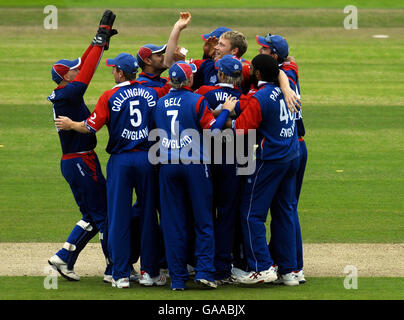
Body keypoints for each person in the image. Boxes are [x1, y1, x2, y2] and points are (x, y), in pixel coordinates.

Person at [55, 53, 164, 289]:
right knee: (148, 216)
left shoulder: (110, 95)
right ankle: (149, 272)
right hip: (147, 159)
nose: (112, 72)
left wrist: (71, 125)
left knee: (117, 218)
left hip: (121, 161)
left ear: (121, 73)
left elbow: (91, 126)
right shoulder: (152, 93)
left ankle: (120, 273)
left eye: (114, 69)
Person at [150, 60, 238, 290]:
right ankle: (205, 272)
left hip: (168, 165)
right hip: (195, 164)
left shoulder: (159, 104)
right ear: (189, 80)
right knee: (203, 220)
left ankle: (178, 279)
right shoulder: (197, 100)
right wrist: (226, 110)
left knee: (173, 222)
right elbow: (214, 129)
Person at [46, 10, 117, 283]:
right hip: (80, 160)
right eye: (72, 69)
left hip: (74, 161)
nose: (78, 68)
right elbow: (87, 71)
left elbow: (84, 63)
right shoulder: (71, 91)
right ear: (66, 77)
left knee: (91, 214)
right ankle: (114, 268)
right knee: (104, 214)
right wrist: (99, 42)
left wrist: (99, 39)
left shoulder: (65, 91)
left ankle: (64, 258)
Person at [229, 54, 300, 286]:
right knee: (286, 211)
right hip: (292, 155)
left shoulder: (260, 98)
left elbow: (240, 129)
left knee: (251, 214)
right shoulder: (287, 90)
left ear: (258, 74)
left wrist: (225, 113)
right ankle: (290, 271)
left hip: (271, 160)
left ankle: (261, 267)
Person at [164, 11, 301, 112]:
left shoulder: (245, 68)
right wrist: (177, 28)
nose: (215, 47)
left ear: (234, 51)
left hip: (236, 138)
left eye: (221, 44)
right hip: (209, 137)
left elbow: (275, 72)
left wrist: (286, 88)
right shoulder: (207, 64)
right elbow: (168, 63)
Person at [256, 33, 307, 284]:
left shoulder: (273, 77)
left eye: (263, 50)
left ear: (274, 55)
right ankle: (294, 267)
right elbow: (287, 68)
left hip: (284, 148)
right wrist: (285, 85)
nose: (259, 53)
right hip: (295, 146)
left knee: (281, 209)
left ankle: (284, 265)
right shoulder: (290, 68)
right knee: (287, 208)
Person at [195, 55, 245, 284]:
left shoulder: (204, 92)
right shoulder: (244, 97)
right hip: (236, 158)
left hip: (205, 158)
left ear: (221, 74)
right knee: (227, 214)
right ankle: (223, 268)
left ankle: (199, 263)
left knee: (203, 213)